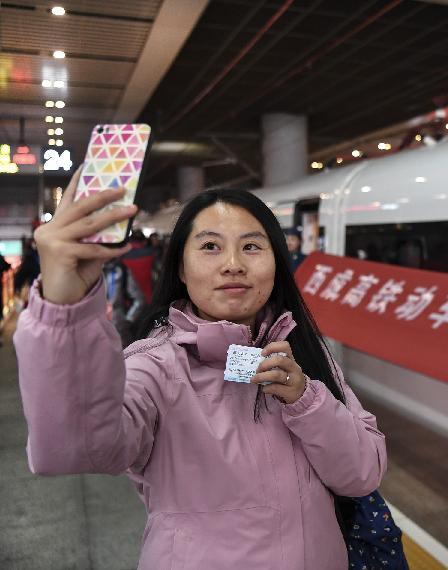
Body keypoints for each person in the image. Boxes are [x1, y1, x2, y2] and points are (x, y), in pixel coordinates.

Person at [13, 170, 386, 569]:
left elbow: (362, 475)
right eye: (210, 246)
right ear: (180, 269)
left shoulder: (303, 353)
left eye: (252, 247)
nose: (233, 265)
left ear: (277, 262)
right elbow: (74, 448)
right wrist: (65, 309)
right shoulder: (155, 365)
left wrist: (305, 399)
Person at [102, 257, 145, 346]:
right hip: (96, 329)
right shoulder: (91, 271)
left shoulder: (121, 270)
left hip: (118, 327)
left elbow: (139, 300)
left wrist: (128, 319)